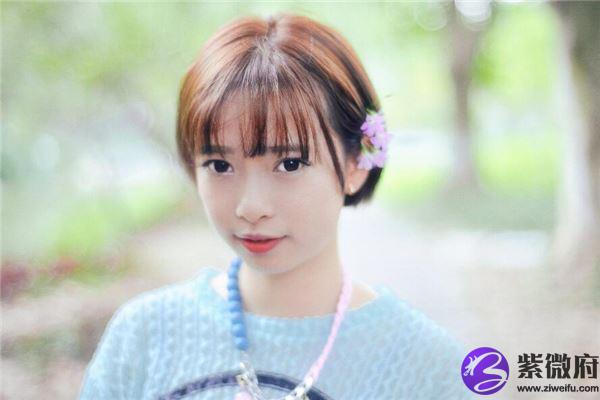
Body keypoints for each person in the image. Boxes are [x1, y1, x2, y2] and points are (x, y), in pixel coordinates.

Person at [79, 13, 475, 400]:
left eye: (289, 163)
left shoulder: (426, 368)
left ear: (355, 162)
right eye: (220, 165)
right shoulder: (144, 337)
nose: (251, 208)